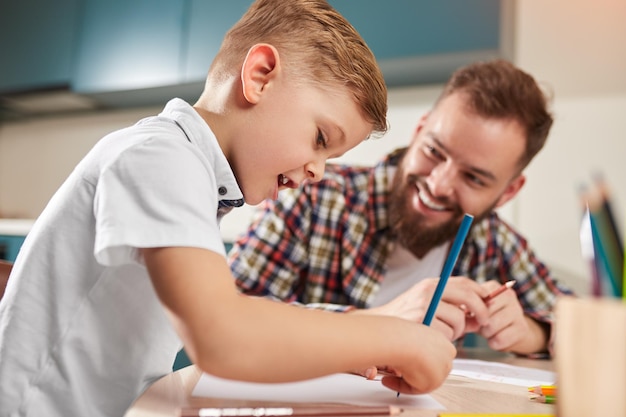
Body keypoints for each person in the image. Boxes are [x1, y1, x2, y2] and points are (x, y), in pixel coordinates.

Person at [0, 1, 457, 416]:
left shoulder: (190, 170)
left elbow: (232, 312)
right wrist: (395, 338)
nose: (318, 171)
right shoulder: (160, 156)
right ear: (259, 75)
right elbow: (221, 335)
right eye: (321, 139)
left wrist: (345, 345)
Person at [228, 59, 575, 358]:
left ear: (508, 192)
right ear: (420, 129)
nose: (438, 185)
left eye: (473, 178)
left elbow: (589, 323)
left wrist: (534, 333)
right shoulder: (313, 197)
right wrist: (381, 324)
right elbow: (224, 315)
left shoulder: (493, 240)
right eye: (434, 152)